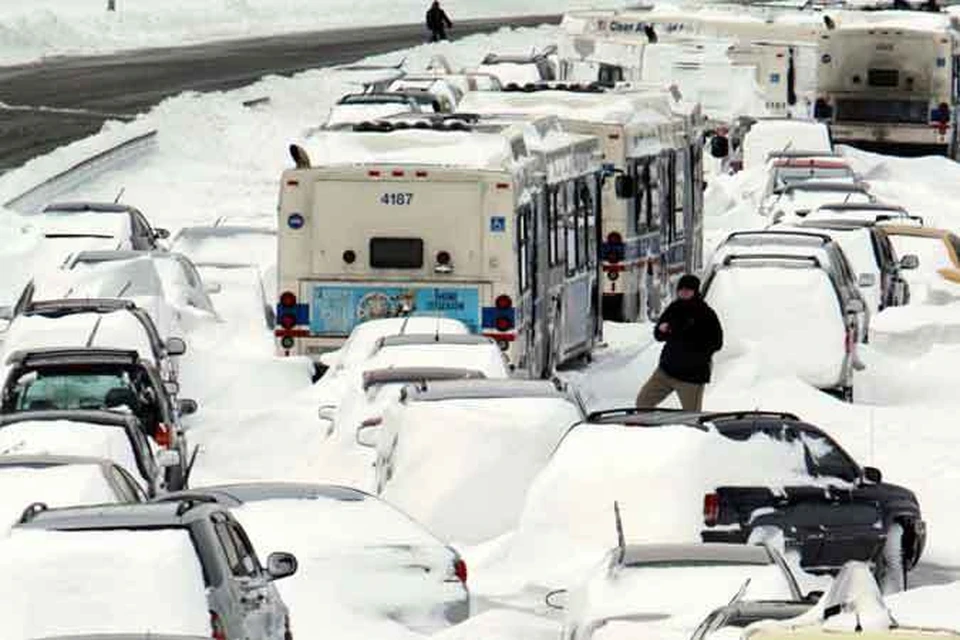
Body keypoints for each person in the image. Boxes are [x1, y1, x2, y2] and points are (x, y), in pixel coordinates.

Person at [635, 274, 723, 411]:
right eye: (681, 289)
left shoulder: (706, 313)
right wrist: (662, 330)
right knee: (642, 403)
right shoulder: (673, 308)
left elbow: (717, 342)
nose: (684, 292)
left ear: (695, 292)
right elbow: (658, 335)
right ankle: (647, 431)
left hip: (691, 378)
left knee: (691, 417)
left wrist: (697, 355)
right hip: (666, 371)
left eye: (688, 290)